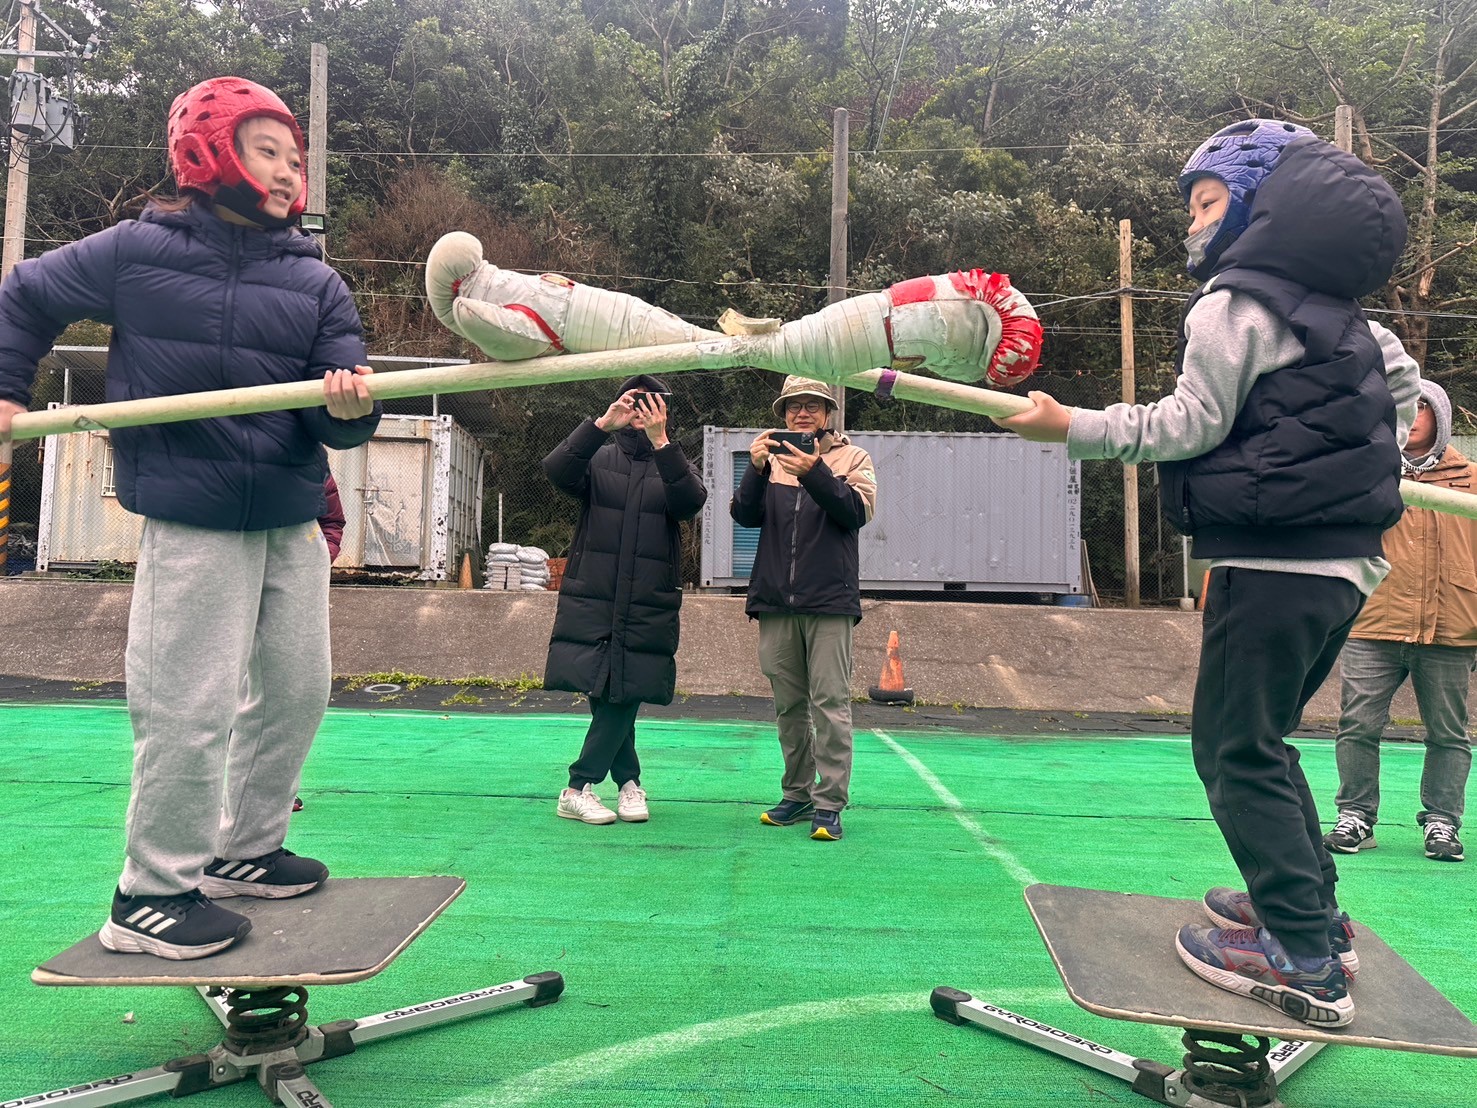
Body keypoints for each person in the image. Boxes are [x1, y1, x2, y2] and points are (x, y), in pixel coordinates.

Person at [1002, 119, 1419, 1028]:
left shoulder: (1232, 306)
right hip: (1344, 567)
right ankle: (1310, 912)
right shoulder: (1357, 324)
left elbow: (1185, 424)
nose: (1191, 223)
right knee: (1262, 739)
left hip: (1271, 562)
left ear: (1263, 211)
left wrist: (1067, 425)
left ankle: (1303, 957)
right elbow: (1408, 399)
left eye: (1204, 203)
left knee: (1232, 749)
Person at [0, 76, 381, 959]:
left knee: (296, 690)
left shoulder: (316, 282)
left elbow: (338, 425)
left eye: (295, 159)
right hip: (192, 514)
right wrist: (6, 391)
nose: (288, 172)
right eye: (267, 151)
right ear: (207, 153)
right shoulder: (138, 251)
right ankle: (150, 895)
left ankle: (243, 849)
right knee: (189, 704)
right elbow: (24, 296)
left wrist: (350, 406)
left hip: (289, 515)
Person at [543, 374, 707, 824]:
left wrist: (662, 442)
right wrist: (600, 425)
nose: (641, 411)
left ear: (665, 410)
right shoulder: (597, 458)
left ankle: (607, 783)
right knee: (608, 688)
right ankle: (589, 786)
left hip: (647, 599)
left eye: (651, 403)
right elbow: (556, 470)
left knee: (623, 688)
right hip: (594, 594)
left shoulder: (675, 462)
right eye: (634, 402)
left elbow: (690, 502)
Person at [1324, 379, 1473, 863]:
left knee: (1448, 733)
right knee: (1357, 725)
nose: (1411, 415)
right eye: (1402, 406)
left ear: (1441, 417)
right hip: (1374, 621)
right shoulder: (1368, 474)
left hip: (1451, 626)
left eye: (1421, 407)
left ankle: (1442, 822)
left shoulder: (1471, 480)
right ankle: (1355, 815)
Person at [731, 376, 877, 842]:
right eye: (794, 406)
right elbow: (744, 515)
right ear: (783, 415)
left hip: (830, 602)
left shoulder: (854, 458)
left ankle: (829, 802)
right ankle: (797, 793)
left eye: (814, 405)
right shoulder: (769, 462)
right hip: (775, 602)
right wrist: (755, 470)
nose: (803, 413)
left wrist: (814, 471)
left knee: (830, 703)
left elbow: (855, 513)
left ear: (829, 413)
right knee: (789, 706)